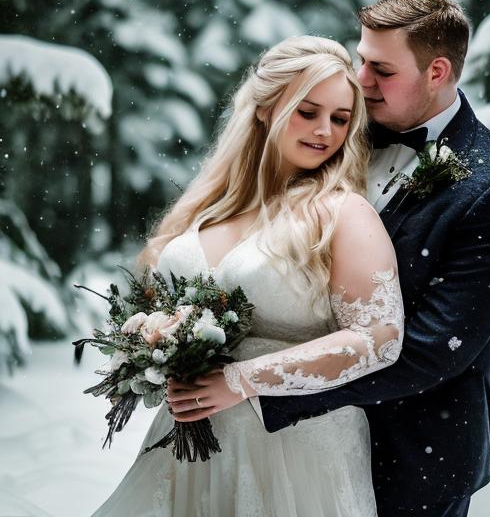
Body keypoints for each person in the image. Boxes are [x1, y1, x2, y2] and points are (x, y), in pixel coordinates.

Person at [247, 0, 490, 516]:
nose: (360, 80)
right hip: (294, 457)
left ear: (437, 71)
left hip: (413, 455)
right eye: (361, 58)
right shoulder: (334, 129)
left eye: (381, 68)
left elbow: (437, 346)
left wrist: (273, 391)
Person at [91, 35, 404, 517]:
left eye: (340, 119)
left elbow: (380, 337)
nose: (325, 131)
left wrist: (240, 379)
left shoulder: (342, 213)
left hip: (293, 456)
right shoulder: (208, 208)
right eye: (308, 111)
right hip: (186, 451)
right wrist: (146, 351)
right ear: (264, 108)